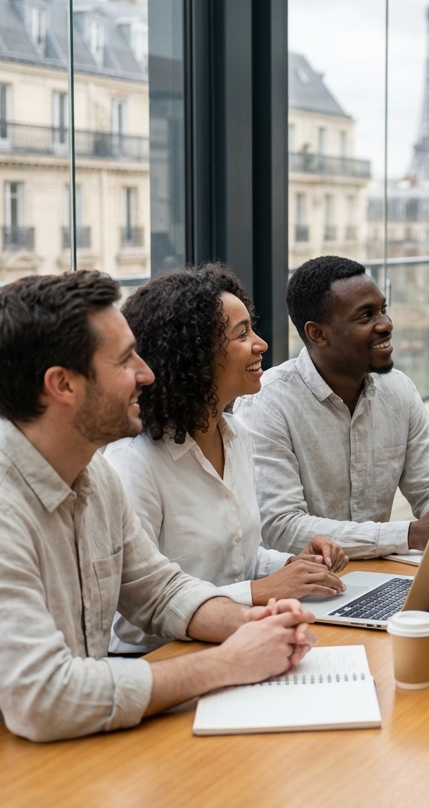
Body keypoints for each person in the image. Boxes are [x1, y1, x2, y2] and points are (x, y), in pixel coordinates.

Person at [0, 271, 316, 753]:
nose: (147, 373)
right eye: (124, 360)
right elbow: (45, 697)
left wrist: (250, 627)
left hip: (72, 752)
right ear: (63, 385)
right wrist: (228, 663)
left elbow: (160, 592)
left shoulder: (94, 477)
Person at [106, 264, 350, 655]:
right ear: (195, 354)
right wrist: (254, 593)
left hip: (236, 642)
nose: (261, 343)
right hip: (159, 659)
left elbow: (240, 561)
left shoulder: (236, 437)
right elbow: (131, 622)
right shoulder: (133, 463)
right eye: (242, 334)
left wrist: (292, 565)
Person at [236, 255, 429, 559]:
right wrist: (409, 534)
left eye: (383, 309)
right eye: (366, 316)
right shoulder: (266, 403)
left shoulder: (399, 390)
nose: (386, 324)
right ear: (317, 334)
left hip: (380, 575)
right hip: (299, 590)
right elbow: (281, 528)